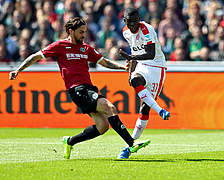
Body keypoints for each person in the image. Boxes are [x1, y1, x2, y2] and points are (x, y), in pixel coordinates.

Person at [9, 17, 150, 160]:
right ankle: (131, 144)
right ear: (71, 31)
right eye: (81, 32)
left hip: (89, 89)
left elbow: (104, 62)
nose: (84, 35)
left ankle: (70, 141)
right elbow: (36, 56)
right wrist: (18, 70)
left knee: (103, 126)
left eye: (85, 32)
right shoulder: (60, 46)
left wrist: (121, 68)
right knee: (110, 108)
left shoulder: (86, 48)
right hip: (77, 89)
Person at [119, 7, 170, 145]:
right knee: (134, 81)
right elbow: (135, 51)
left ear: (139, 20)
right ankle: (160, 110)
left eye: (135, 21)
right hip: (141, 64)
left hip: (156, 66)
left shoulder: (147, 30)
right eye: (129, 22)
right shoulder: (125, 32)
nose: (132, 25)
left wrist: (130, 56)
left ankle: (130, 144)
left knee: (145, 108)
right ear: (124, 21)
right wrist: (131, 70)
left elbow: (151, 53)